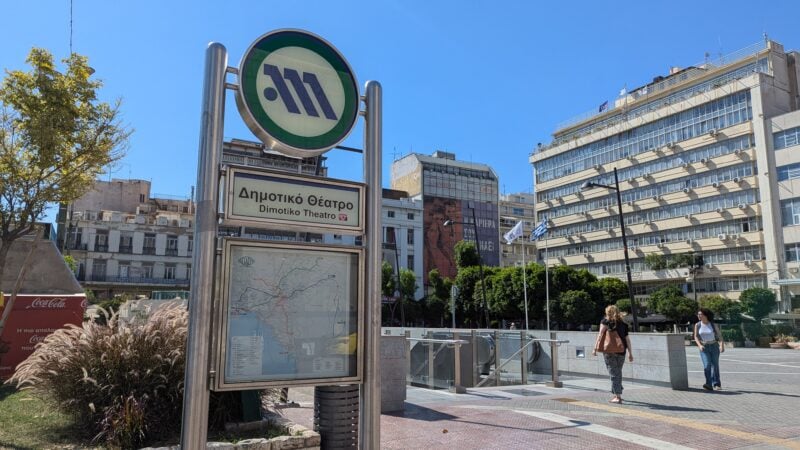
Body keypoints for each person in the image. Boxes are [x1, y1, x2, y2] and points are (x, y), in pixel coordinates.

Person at [592, 305, 633, 403]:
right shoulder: (623, 323)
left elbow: (600, 334)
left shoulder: (605, 322)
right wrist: (630, 353)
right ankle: (617, 391)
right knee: (617, 372)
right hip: (621, 351)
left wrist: (595, 348)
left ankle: (617, 397)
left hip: (609, 351)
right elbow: (627, 340)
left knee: (614, 373)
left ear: (607, 312)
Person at [694, 308, 724, 391]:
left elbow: (720, 336)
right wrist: (699, 345)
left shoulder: (713, 325)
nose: (699, 316)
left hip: (714, 346)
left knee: (715, 365)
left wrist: (722, 345)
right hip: (704, 347)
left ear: (706, 315)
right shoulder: (698, 325)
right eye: (698, 314)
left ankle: (717, 384)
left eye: (700, 314)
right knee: (707, 365)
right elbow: (695, 336)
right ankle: (708, 384)